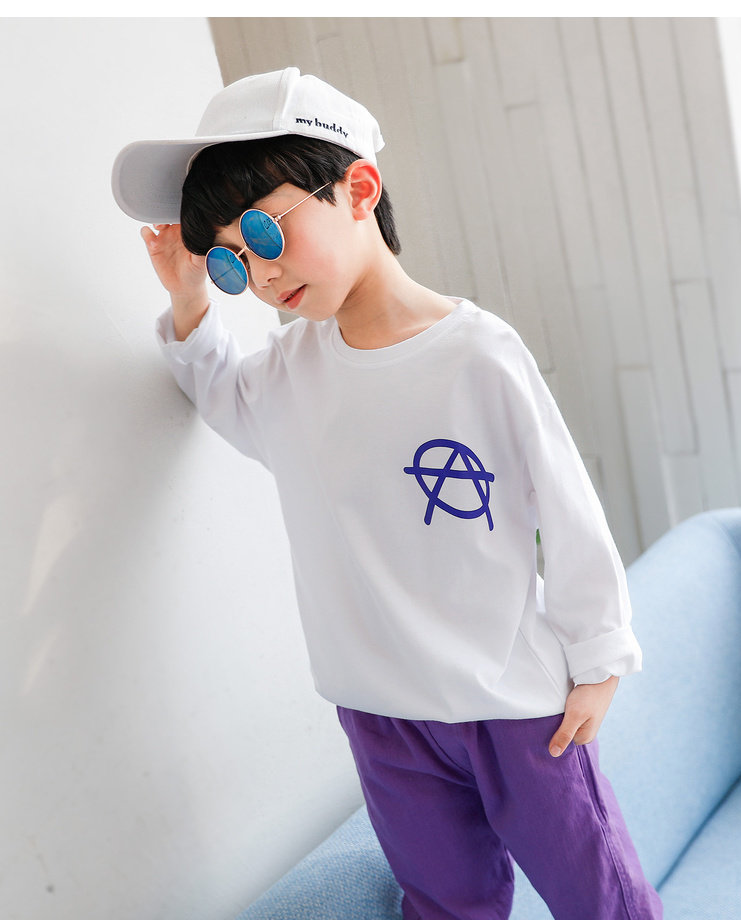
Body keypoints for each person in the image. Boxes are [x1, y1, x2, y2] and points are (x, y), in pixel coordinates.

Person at [112, 67, 662, 920]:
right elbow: (218, 393)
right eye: (229, 259)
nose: (259, 272)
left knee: (602, 899)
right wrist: (190, 300)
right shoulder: (289, 374)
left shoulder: (478, 354)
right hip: (380, 717)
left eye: (262, 229)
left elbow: (567, 507)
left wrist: (599, 656)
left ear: (359, 189)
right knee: (444, 904)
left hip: (516, 703)